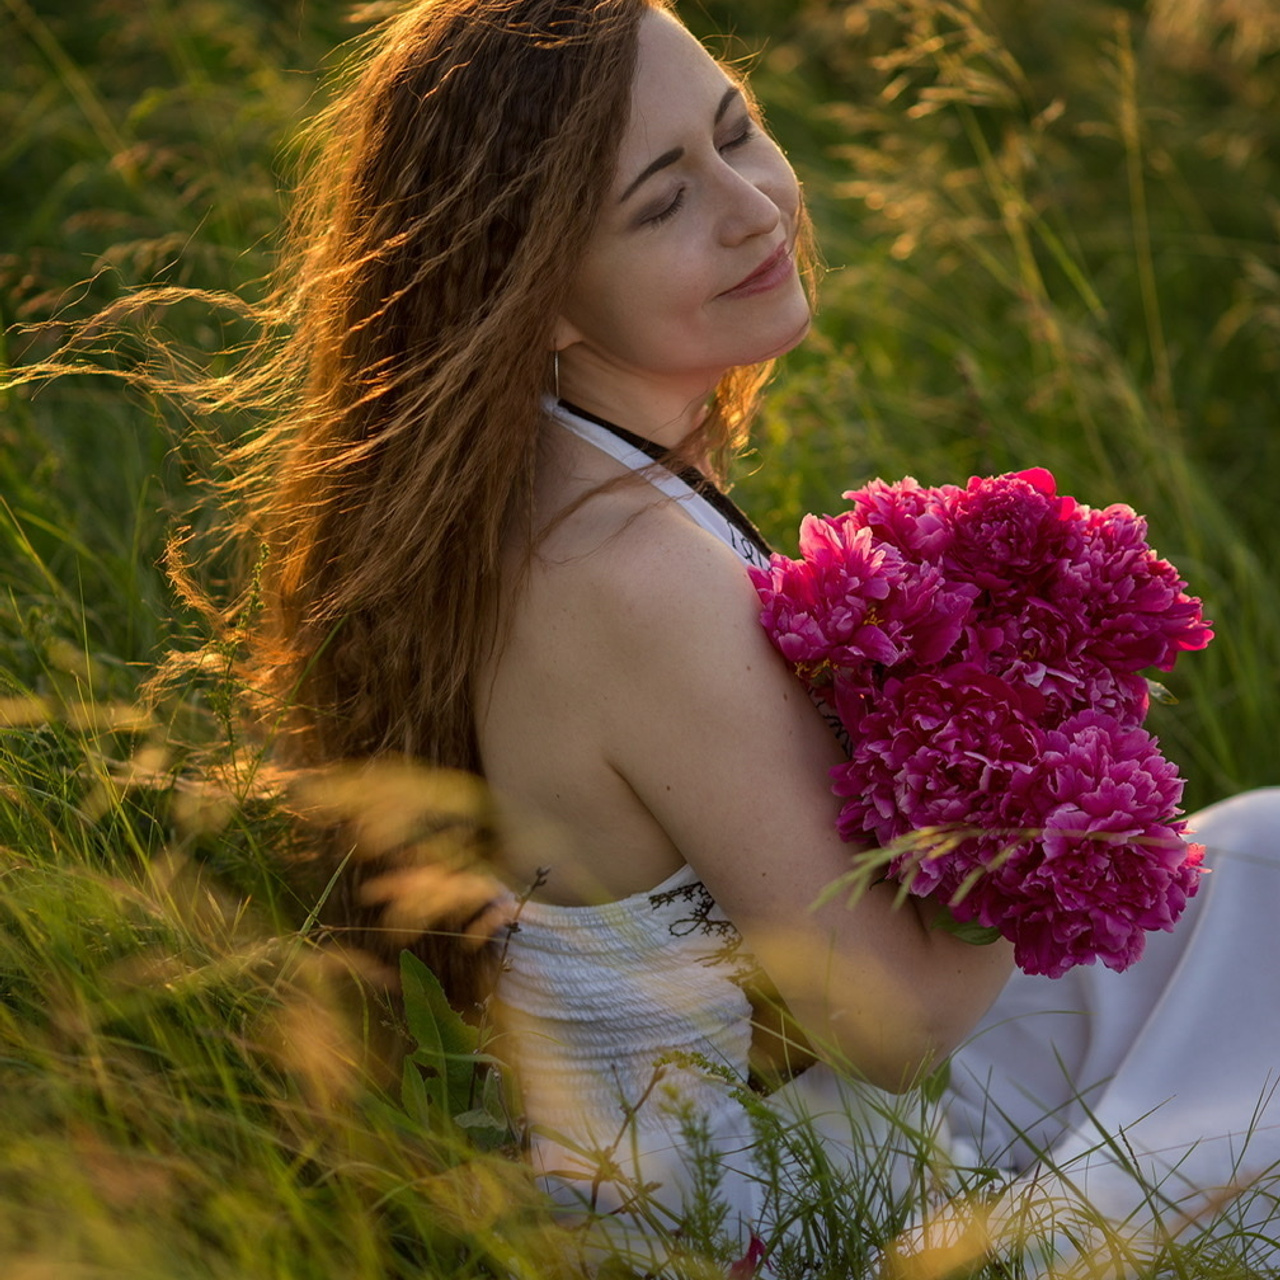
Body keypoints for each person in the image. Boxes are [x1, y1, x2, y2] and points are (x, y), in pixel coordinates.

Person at [235, 0, 1280, 1273]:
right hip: (769, 1218)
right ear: (536, 295)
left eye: (737, 132)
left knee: (1261, 861)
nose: (750, 206)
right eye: (659, 201)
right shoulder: (623, 574)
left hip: (782, 1112)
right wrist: (1052, 818)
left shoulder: (570, 477)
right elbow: (888, 1028)